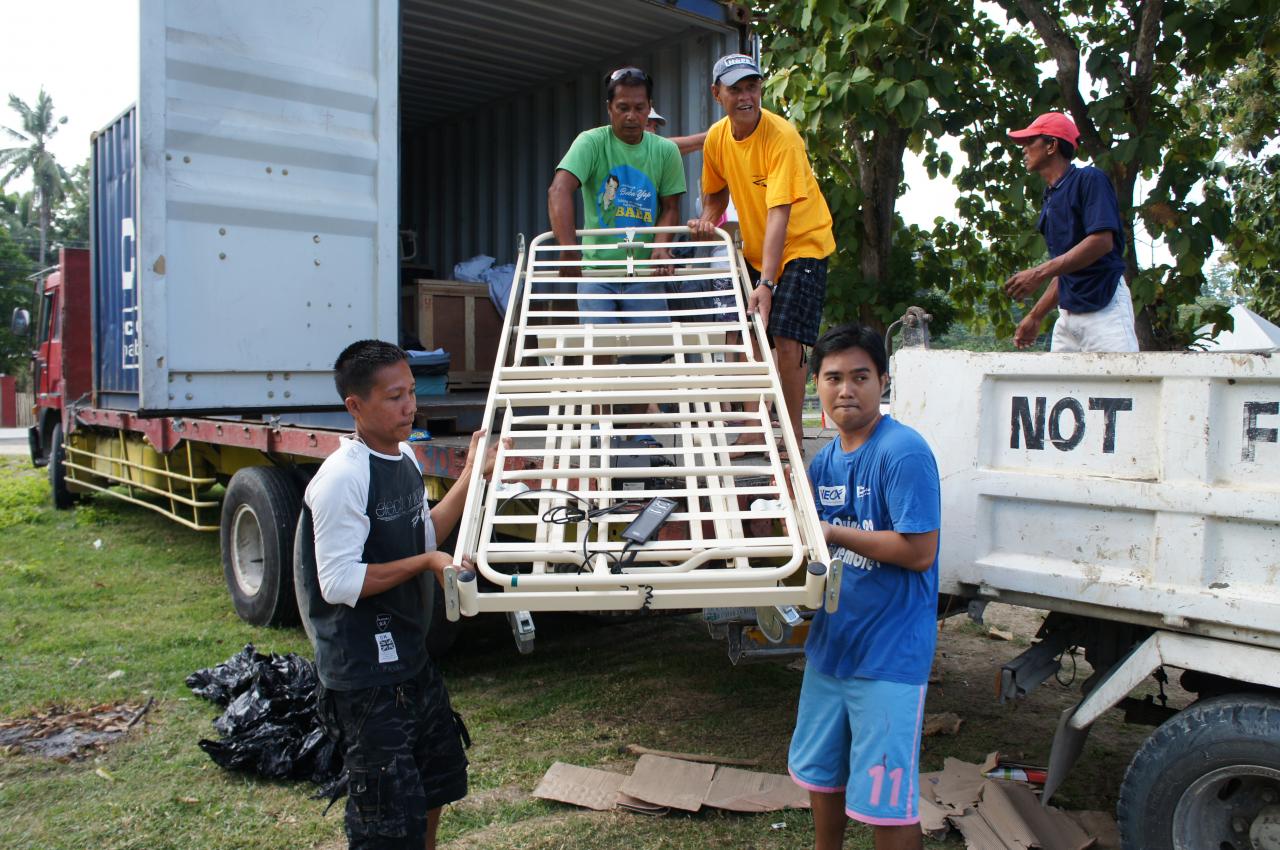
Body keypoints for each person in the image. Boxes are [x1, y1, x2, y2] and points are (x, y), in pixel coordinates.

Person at [300, 339, 502, 850]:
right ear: (356, 406)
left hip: (410, 657)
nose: (409, 406)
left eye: (411, 392)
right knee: (385, 818)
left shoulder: (405, 458)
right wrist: (429, 564)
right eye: (394, 397)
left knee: (436, 779)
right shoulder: (341, 479)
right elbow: (339, 582)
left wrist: (471, 474)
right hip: (364, 674)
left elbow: (424, 534)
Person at [788, 324, 940, 850]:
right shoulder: (824, 461)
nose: (845, 390)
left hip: (889, 656)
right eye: (833, 378)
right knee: (821, 776)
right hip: (832, 648)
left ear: (883, 382)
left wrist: (829, 531)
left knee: (886, 802)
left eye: (860, 377)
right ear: (818, 386)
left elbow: (920, 553)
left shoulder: (903, 452)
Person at [687, 53, 835, 449]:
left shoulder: (781, 137)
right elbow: (715, 192)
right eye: (735, 89)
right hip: (756, 250)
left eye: (751, 87)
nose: (746, 97)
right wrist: (707, 217)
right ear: (717, 93)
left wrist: (766, 282)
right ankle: (754, 427)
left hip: (804, 244)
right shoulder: (718, 137)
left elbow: (779, 214)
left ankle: (792, 432)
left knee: (786, 338)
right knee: (753, 336)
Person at [547, 66, 686, 322]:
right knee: (598, 350)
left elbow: (671, 207)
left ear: (649, 107)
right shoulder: (591, 142)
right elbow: (559, 190)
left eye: (639, 108)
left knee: (652, 351)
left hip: (645, 273)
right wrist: (568, 250)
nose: (632, 116)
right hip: (597, 273)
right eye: (623, 108)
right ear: (609, 107)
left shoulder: (666, 151)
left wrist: (661, 247)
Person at [1004, 112, 1139, 352]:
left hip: (1104, 307)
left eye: (1029, 142)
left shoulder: (1089, 179)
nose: (1023, 149)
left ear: (1052, 145)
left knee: (1119, 387)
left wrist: (1037, 273)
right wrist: (1036, 316)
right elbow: (1066, 268)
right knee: (1061, 388)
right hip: (1068, 315)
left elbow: (1101, 242)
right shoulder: (1051, 198)